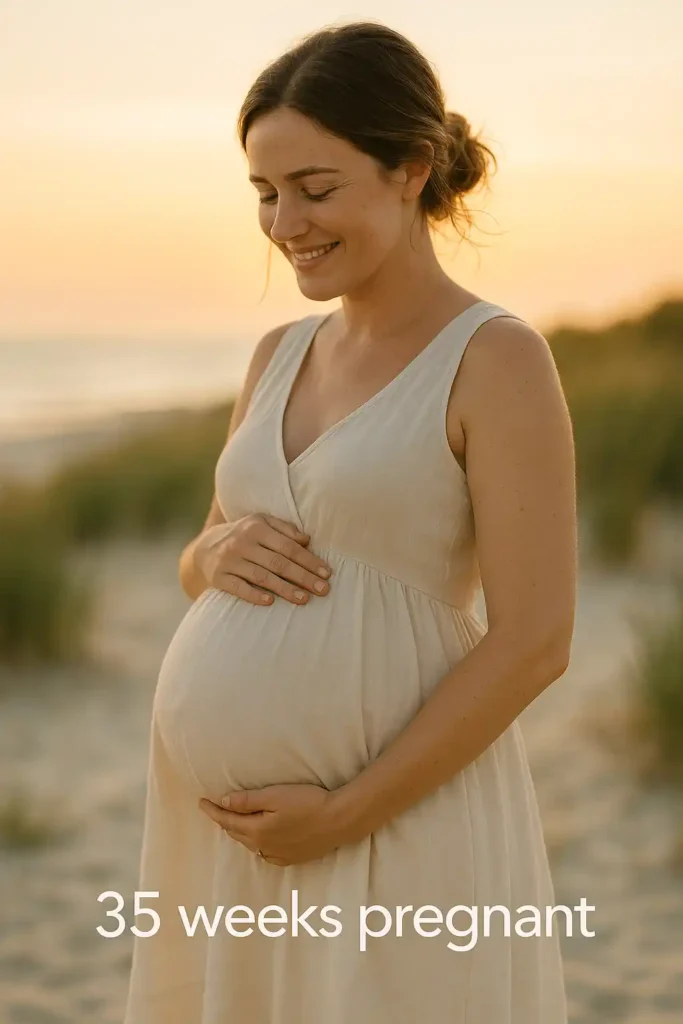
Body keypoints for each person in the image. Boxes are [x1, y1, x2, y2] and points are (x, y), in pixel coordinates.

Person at [123, 19, 576, 1024]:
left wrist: (338, 813)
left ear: (410, 167)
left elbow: (536, 639)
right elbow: (202, 556)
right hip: (238, 852)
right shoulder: (276, 353)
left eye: (315, 188)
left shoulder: (494, 358)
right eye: (264, 193)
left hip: (394, 829)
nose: (286, 223)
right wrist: (215, 548)